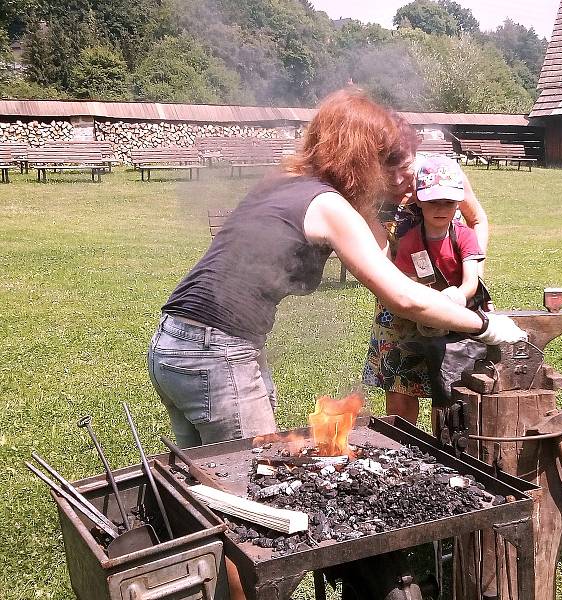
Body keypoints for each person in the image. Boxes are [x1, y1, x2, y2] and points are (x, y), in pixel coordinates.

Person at [147, 88, 527, 450]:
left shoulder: (283, 181)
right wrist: (486, 325)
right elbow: (402, 296)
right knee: (250, 483)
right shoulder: (328, 205)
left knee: (203, 484)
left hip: (171, 344)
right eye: (388, 165)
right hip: (217, 354)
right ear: (361, 160)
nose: (398, 181)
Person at [371, 155, 488, 425]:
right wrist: (412, 296)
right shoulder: (366, 189)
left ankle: (448, 448)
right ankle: (403, 451)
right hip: (401, 299)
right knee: (401, 383)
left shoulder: (444, 173)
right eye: (389, 168)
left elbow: (478, 219)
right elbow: (385, 266)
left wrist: (471, 280)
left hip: (457, 302)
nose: (399, 178)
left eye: (405, 167)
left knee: (450, 384)